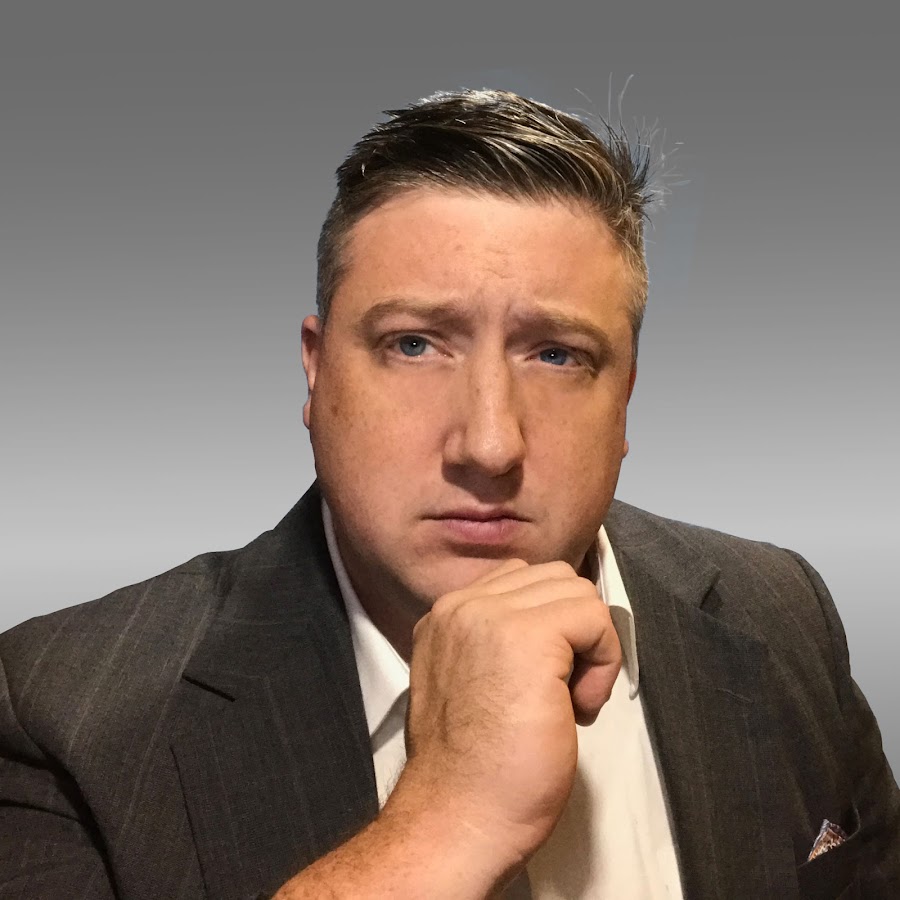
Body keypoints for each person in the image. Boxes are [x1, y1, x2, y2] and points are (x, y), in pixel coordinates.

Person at [1, 88, 897, 900]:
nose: (490, 445)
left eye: (557, 355)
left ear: (624, 398)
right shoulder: (59, 708)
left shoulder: (782, 611)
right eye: (415, 345)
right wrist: (448, 823)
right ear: (315, 373)